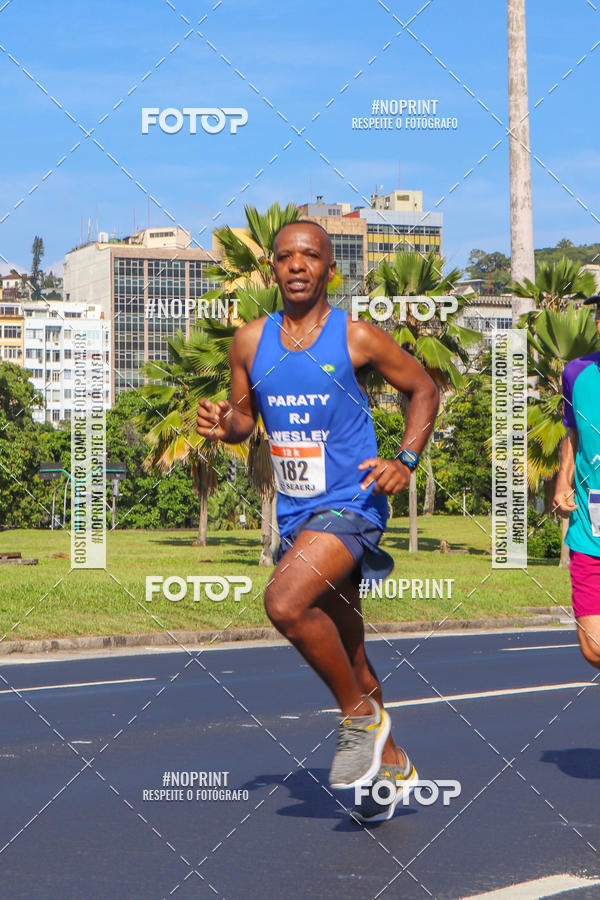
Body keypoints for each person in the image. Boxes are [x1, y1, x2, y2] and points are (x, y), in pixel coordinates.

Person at [197, 220, 439, 822]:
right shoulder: (250, 342)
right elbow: (243, 424)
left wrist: (405, 458)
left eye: (310, 256)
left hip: (352, 504)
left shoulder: (356, 338)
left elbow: (424, 388)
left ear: (331, 269)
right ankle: (393, 768)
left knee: (283, 602)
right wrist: (221, 423)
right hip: (298, 513)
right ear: (273, 270)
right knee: (352, 656)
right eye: (285, 257)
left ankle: (359, 720)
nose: (297, 265)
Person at [553, 295, 600, 667]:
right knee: (592, 647)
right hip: (591, 526)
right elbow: (573, 434)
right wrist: (562, 479)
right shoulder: (577, 374)